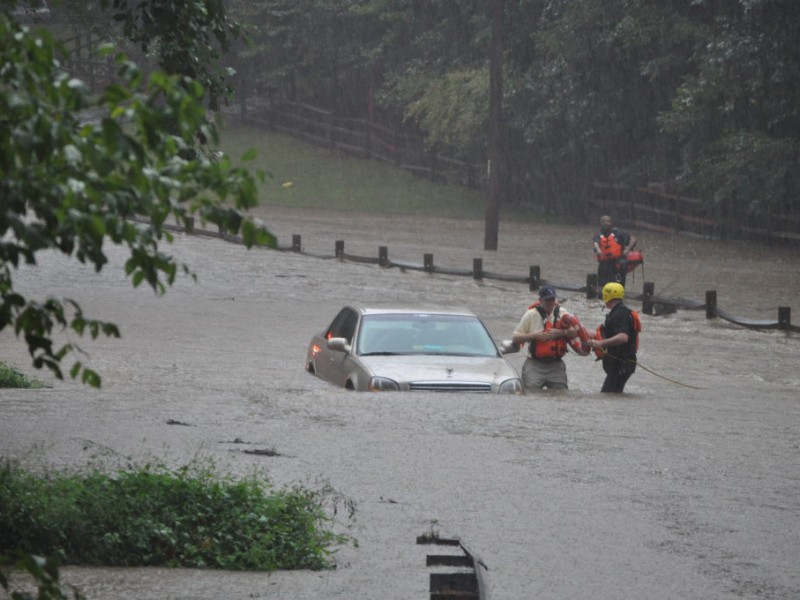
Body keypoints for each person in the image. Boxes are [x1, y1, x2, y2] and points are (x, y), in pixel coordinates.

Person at [512, 285, 579, 391]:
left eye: (552, 299)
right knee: (530, 394)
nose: (550, 303)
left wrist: (561, 333)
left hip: (556, 364)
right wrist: (534, 335)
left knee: (561, 395)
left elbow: (575, 331)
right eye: (547, 300)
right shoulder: (530, 314)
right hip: (534, 364)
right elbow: (515, 338)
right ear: (540, 300)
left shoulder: (562, 312)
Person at [586, 282, 639, 393]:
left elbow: (623, 337)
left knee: (607, 394)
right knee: (613, 396)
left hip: (622, 363)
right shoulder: (616, 313)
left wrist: (601, 344)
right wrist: (581, 333)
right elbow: (601, 334)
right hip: (619, 363)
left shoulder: (620, 313)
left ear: (607, 295)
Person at [593, 215, 637, 291]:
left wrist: (627, 249)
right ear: (600, 224)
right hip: (604, 266)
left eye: (607, 221)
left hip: (618, 266)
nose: (605, 223)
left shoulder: (619, 233)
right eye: (603, 221)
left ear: (611, 223)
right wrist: (598, 250)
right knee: (601, 290)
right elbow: (595, 243)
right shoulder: (598, 235)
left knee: (617, 290)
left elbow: (633, 239)